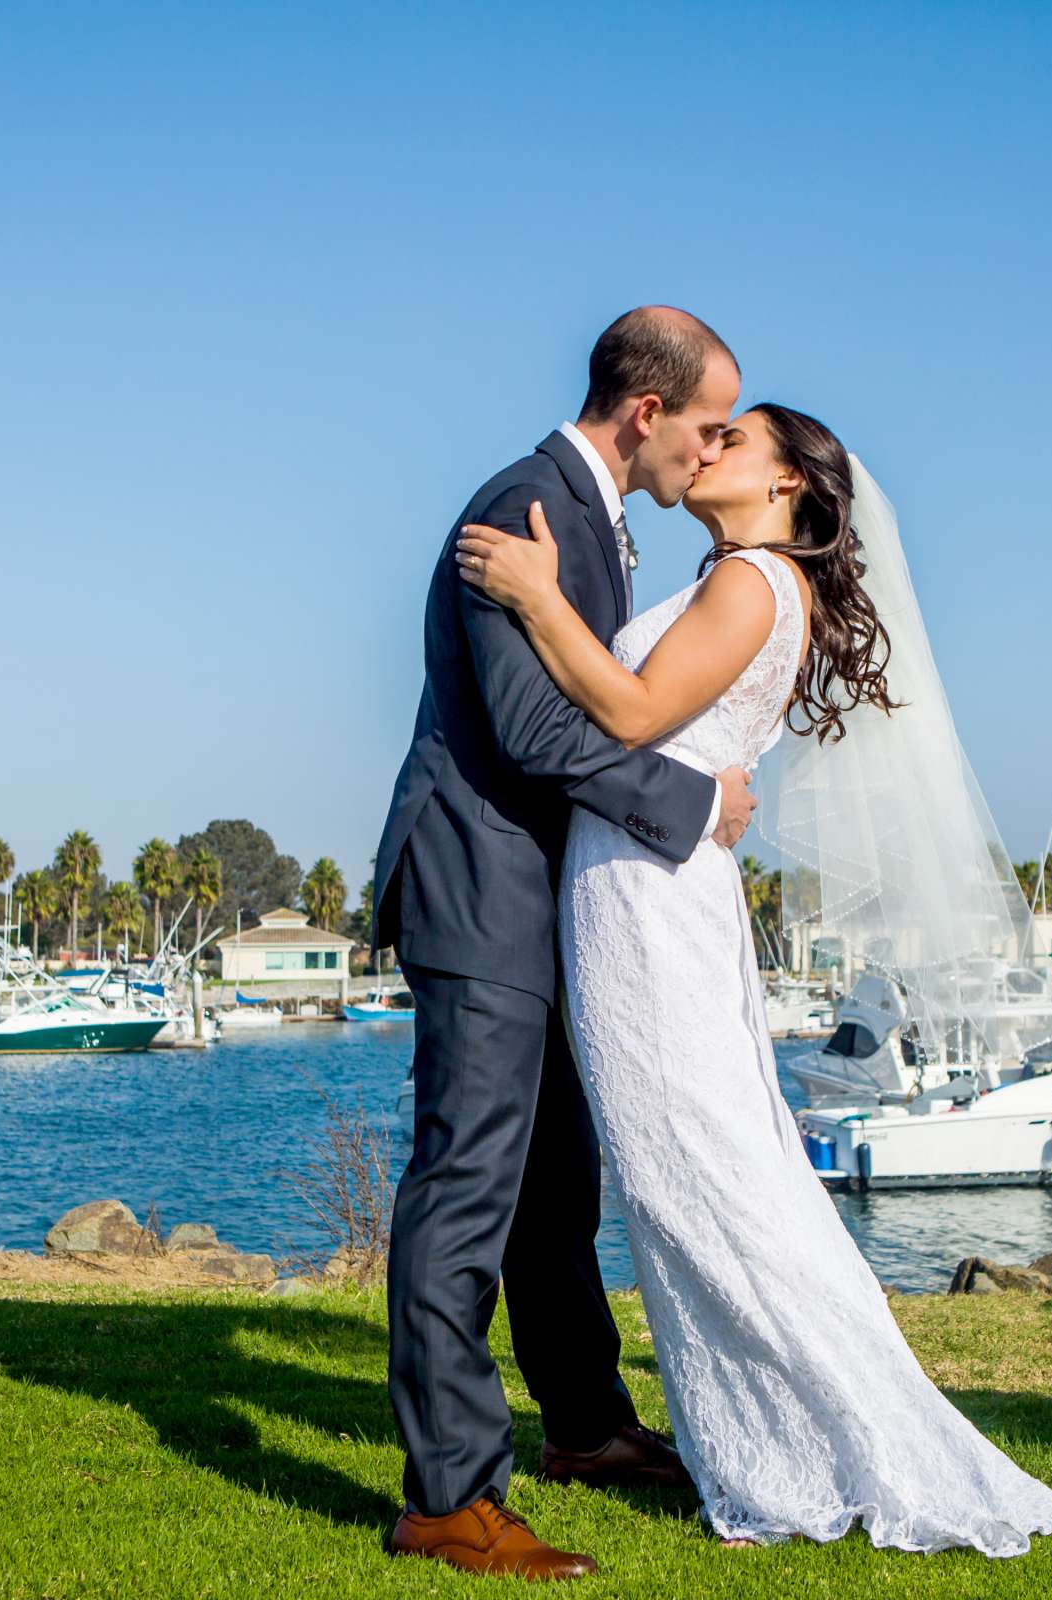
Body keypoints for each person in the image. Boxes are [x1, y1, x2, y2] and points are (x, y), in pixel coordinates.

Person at [451, 399, 1052, 1560]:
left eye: (734, 440)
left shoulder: (754, 581)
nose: (707, 449)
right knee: (687, 1176)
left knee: (704, 1176)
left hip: (649, 901)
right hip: (640, 887)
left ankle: (837, 1437)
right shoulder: (742, 579)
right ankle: (771, 1439)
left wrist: (540, 599)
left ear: (793, 483)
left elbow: (636, 711)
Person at [370, 307, 759, 1580]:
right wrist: (691, 808)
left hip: (542, 903)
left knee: (556, 1184)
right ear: (646, 413)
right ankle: (447, 1498)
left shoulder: (591, 522)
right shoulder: (524, 506)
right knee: (467, 1190)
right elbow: (537, 731)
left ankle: (583, 1426)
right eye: (706, 428)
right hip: (480, 894)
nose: (710, 454)